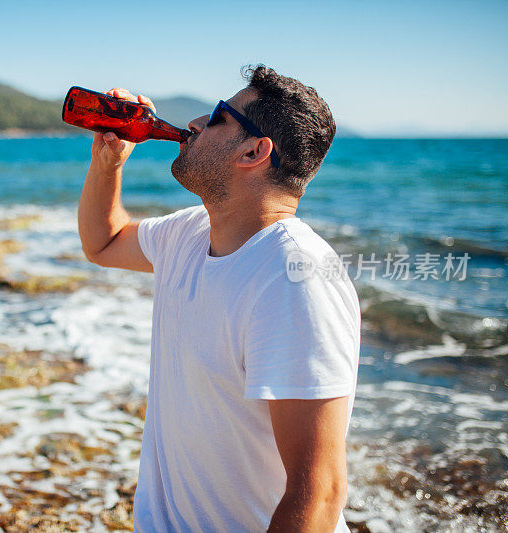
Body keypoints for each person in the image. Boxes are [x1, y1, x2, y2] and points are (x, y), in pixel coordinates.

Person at [77, 65, 360, 532]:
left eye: (216, 117)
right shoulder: (189, 232)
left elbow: (319, 493)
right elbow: (102, 243)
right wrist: (108, 164)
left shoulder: (295, 279)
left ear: (254, 150)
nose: (192, 125)